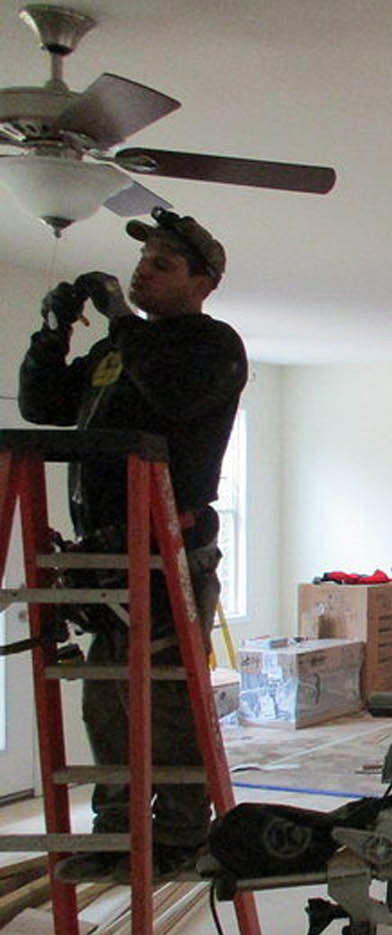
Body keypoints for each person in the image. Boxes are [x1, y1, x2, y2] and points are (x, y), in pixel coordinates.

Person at [19, 209, 247, 882]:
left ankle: (180, 833)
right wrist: (51, 333)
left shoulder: (212, 346)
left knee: (168, 699)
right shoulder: (118, 352)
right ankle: (118, 831)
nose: (143, 273)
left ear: (202, 284)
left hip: (168, 552)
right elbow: (43, 406)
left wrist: (122, 320)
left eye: (162, 265)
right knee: (105, 699)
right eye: (143, 261)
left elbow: (172, 396)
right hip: (105, 554)